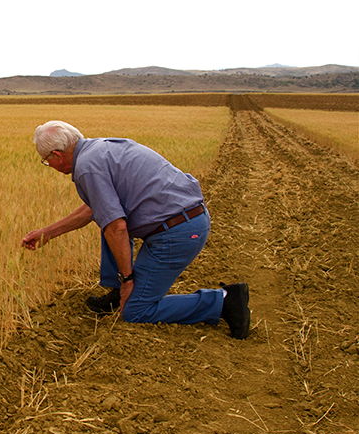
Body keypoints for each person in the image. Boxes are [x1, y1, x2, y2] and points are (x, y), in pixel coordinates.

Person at [21, 120, 250, 339]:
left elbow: (117, 227)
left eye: (46, 161)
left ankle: (223, 301)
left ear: (57, 155)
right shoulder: (101, 149)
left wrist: (128, 279)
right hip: (188, 219)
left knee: (137, 311)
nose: (48, 165)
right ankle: (114, 293)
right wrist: (47, 233)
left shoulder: (86, 168)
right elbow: (94, 209)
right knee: (107, 218)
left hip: (178, 232)